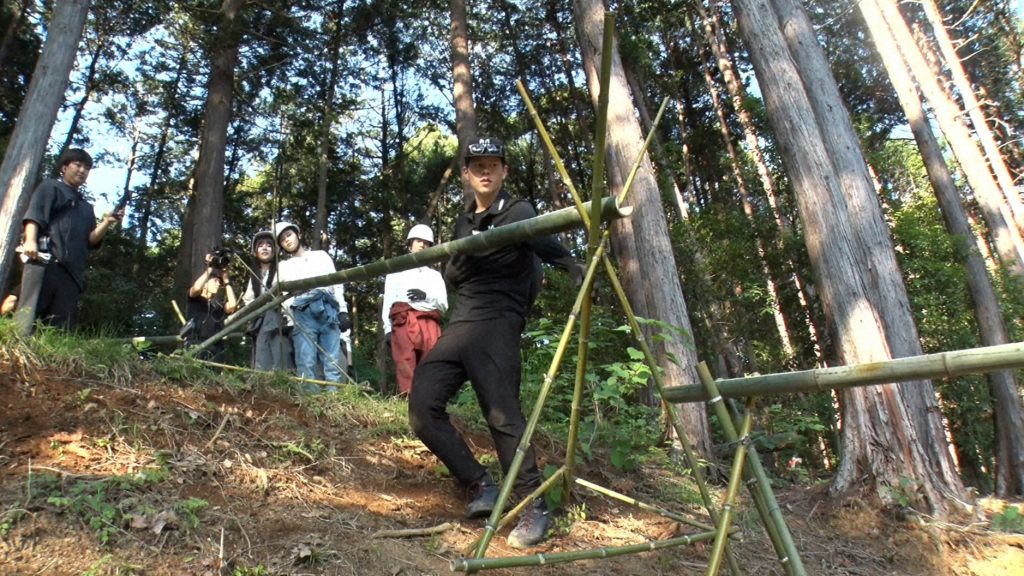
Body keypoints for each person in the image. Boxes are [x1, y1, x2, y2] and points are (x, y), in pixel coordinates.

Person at [408, 136, 582, 549]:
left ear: (504, 171)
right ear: (467, 175)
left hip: (498, 323)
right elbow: (452, 272)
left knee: (502, 415)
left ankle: (532, 504)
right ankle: (478, 483)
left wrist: (573, 266)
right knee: (422, 408)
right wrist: (467, 259)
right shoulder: (463, 222)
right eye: (476, 165)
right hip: (460, 324)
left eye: (493, 164)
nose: (485, 171)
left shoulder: (519, 211)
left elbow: (549, 244)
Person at [14, 148, 121, 336]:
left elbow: (91, 240)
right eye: (77, 165)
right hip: (44, 261)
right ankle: (15, 355)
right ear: (64, 167)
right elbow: (35, 216)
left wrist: (106, 222)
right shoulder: (50, 187)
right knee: (28, 317)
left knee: (60, 327)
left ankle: (47, 363)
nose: (82, 171)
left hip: (72, 274)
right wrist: (30, 241)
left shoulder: (86, 207)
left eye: (87, 168)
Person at [275, 221, 349, 390]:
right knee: (306, 360)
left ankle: (334, 400)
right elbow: (284, 298)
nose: (287, 240)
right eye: (282, 240)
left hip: (328, 308)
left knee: (332, 359)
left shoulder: (321, 256)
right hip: (302, 312)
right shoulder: (284, 266)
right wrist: (290, 318)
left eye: (289, 235)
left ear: (298, 234)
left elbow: (336, 283)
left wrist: (343, 311)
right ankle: (310, 401)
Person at [381, 224, 448, 396]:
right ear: (410, 243)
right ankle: (408, 400)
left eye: (426, 242)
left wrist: (425, 296)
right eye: (418, 240)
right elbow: (389, 301)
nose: (422, 245)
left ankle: (429, 402)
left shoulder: (435, 276)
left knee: (430, 363)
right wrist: (387, 329)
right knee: (405, 362)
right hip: (403, 320)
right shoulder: (396, 270)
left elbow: (443, 304)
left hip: (429, 322)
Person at [240, 230, 292, 372]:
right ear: (255, 250)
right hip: (260, 322)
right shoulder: (254, 276)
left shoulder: (283, 268)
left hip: (281, 320)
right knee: (261, 358)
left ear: (275, 250)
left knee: (281, 355)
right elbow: (249, 300)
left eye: (269, 245)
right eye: (260, 245)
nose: (264, 247)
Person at [184, 253, 238, 361]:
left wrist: (226, 281)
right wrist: (209, 269)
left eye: (219, 283)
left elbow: (232, 305)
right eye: (215, 281)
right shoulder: (195, 299)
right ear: (205, 283)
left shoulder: (218, 306)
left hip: (216, 347)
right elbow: (196, 288)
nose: (218, 284)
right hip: (196, 343)